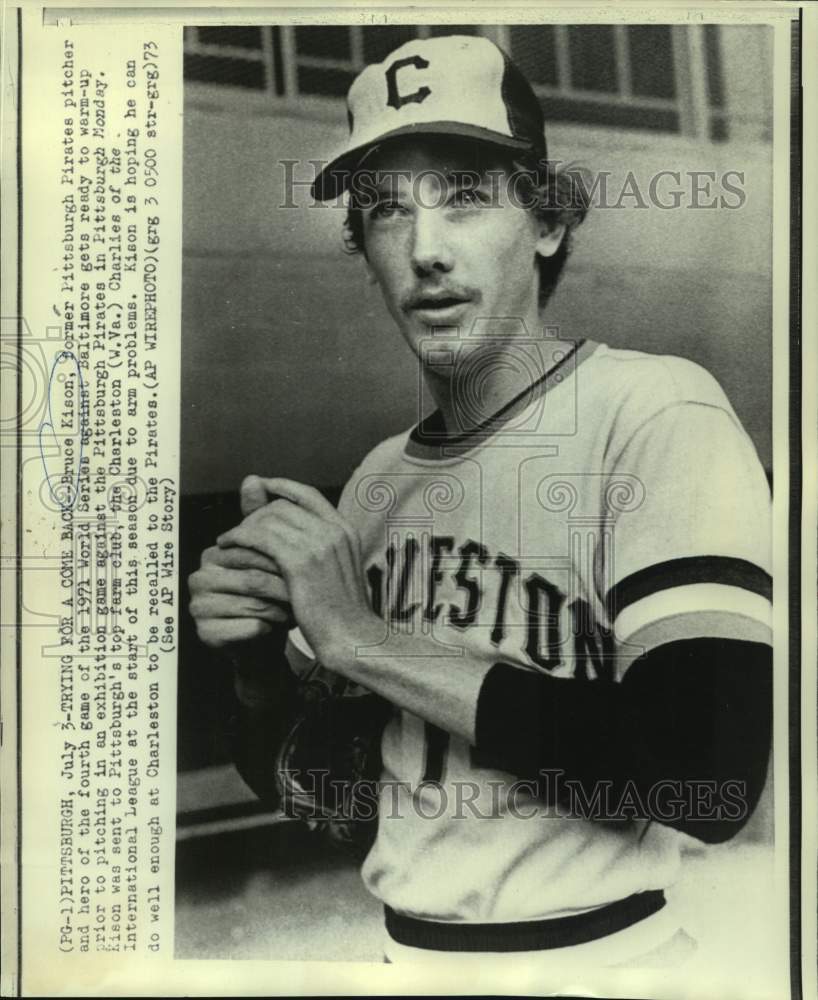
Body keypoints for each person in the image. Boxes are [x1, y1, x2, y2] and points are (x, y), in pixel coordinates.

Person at [188, 34, 772, 966]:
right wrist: (262, 671)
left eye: (464, 198)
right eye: (385, 212)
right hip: (405, 962)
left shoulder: (654, 410)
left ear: (546, 222)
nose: (424, 250)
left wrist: (360, 638)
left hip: (606, 965)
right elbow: (337, 807)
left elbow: (710, 771)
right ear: (364, 249)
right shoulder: (381, 478)